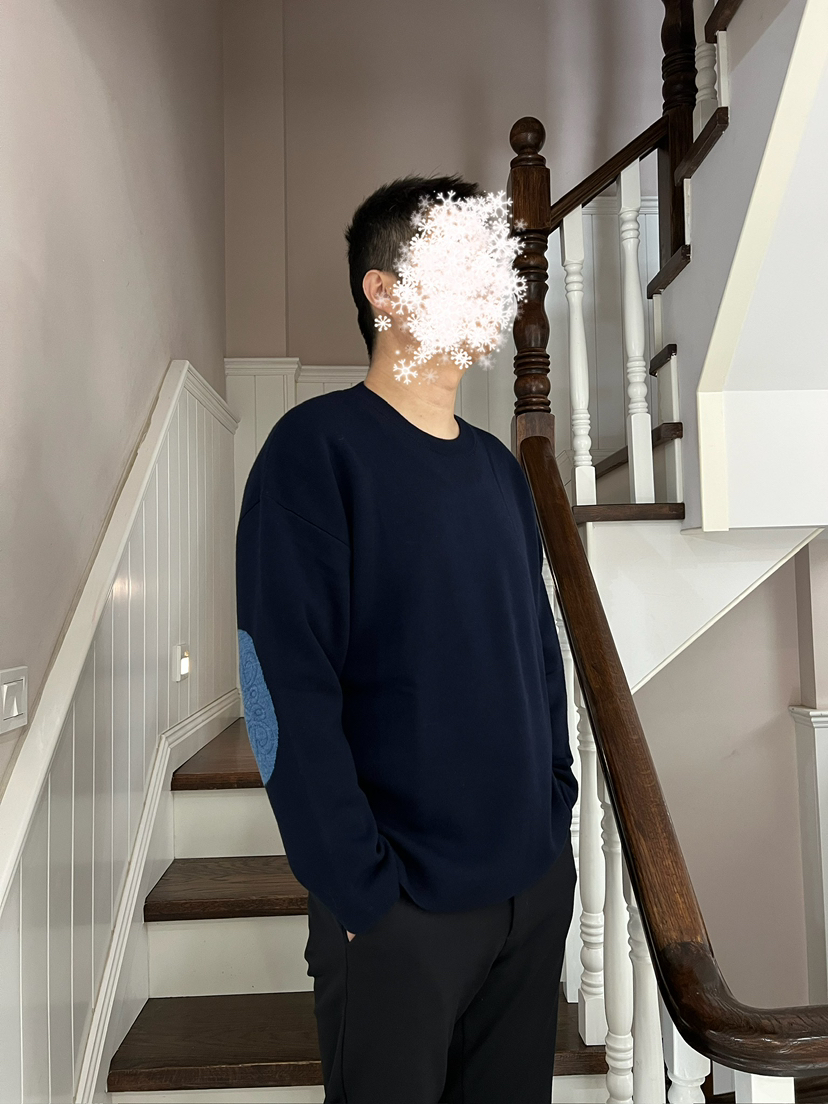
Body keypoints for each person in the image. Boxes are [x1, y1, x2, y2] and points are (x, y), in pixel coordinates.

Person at [235, 173, 578, 1104]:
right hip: (399, 909)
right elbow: (278, 688)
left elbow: (538, 658)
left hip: (529, 891)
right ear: (381, 290)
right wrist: (358, 890)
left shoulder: (501, 471)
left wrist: (555, 814)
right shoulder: (314, 450)